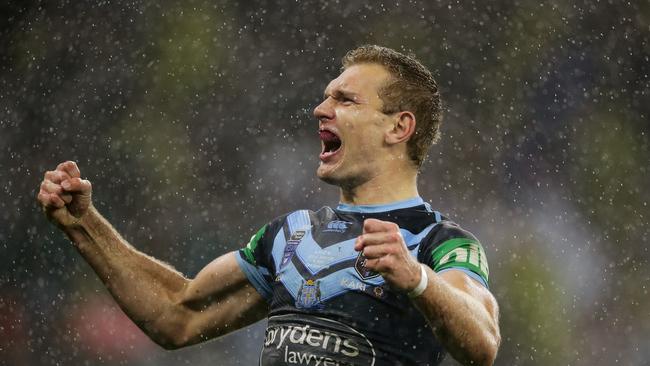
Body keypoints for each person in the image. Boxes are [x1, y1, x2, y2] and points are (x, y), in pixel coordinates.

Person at [37, 45, 500, 365]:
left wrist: (417, 279)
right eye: (324, 97)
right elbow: (175, 314)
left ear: (398, 128)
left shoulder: (438, 243)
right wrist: (84, 225)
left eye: (344, 99)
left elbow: (483, 343)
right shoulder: (290, 236)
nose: (321, 109)